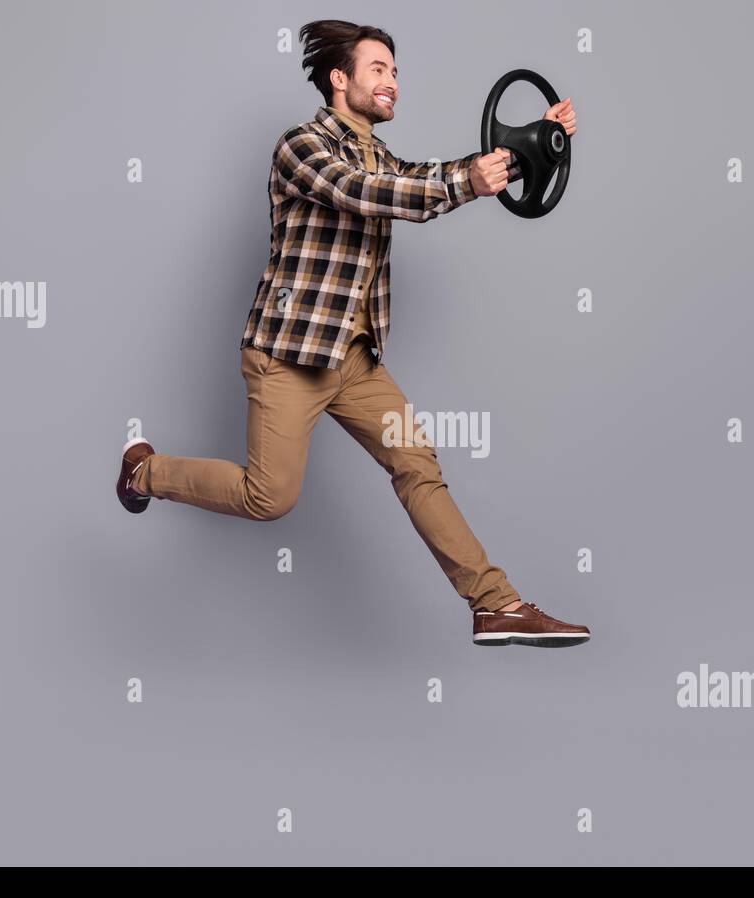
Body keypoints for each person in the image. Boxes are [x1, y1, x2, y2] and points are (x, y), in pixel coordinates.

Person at [116, 19, 589, 648]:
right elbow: (366, 194)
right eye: (378, 69)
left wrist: (535, 145)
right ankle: (143, 471)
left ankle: (495, 604)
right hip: (289, 356)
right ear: (340, 79)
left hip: (355, 362)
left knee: (417, 463)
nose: (392, 81)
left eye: (395, 70)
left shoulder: (379, 153)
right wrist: (464, 179)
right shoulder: (300, 146)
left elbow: (422, 178)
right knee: (270, 498)